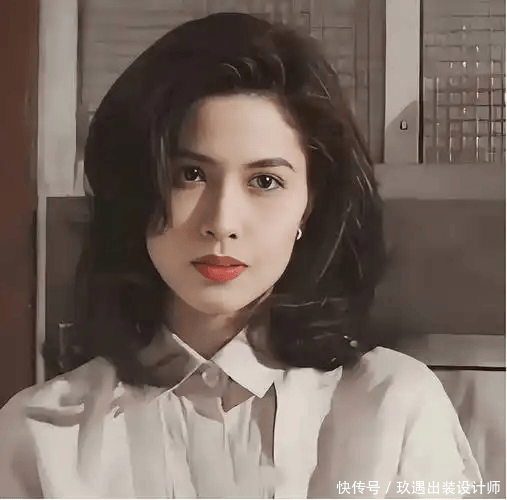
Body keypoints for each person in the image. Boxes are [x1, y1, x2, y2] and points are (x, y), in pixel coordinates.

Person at [0, 12, 481, 498]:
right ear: (135, 191)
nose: (222, 222)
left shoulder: (394, 410)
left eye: (265, 181)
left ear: (310, 206)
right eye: (190, 175)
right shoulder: (38, 440)